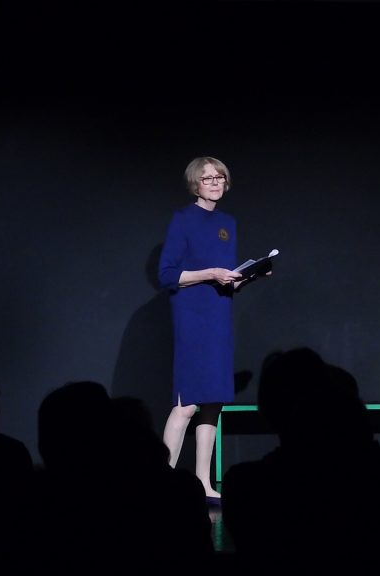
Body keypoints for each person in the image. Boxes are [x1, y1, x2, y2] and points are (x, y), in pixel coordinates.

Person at [158, 156, 259, 500]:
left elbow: (225, 277)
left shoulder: (228, 222)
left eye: (220, 177)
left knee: (213, 401)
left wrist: (245, 276)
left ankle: (202, 481)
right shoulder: (183, 219)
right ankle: (164, 481)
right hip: (192, 316)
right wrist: (210, 273)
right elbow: (168, 275)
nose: (215, 183)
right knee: (186, 404)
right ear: (195, 183)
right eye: (208, 178)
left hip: (218, 315)